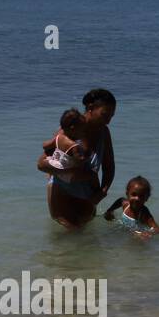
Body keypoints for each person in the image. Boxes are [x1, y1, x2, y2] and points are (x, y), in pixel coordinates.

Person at [38, 88, 117, 229]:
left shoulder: (104, 132)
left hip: (89, 195)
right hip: (62, 192)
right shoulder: (69, 132)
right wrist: (70, 172)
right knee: (67, 238)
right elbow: (41, 164)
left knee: (86, 242)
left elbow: (109, 167)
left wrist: (103, 192)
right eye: (105, 115)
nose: (108, 121)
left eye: (111, 116)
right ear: (91, 108)